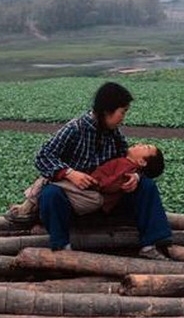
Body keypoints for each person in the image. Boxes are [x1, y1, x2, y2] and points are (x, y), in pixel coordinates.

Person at [11, 81, 173, 260]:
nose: (123, 117)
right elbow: (42, 157)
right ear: (107, 110)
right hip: (76, 201)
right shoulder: (75, 129)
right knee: (50, 194)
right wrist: (70, 173)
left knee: (146, 186)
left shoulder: (114, 133)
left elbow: (129, 161)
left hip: (107, 200)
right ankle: (62, 249)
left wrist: (136, 176)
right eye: (123, 112)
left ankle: (150, 244)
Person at [8, 143, 165, 220]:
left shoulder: (127, 166)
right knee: (51, 181)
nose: (139, 144)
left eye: (145, 146)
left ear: (143, 162)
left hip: (93, 190)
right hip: (90, 188)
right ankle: (28, 208)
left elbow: (111, 183)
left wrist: (96, 182)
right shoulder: (123, 155)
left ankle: (27, 209)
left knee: (50, 179)